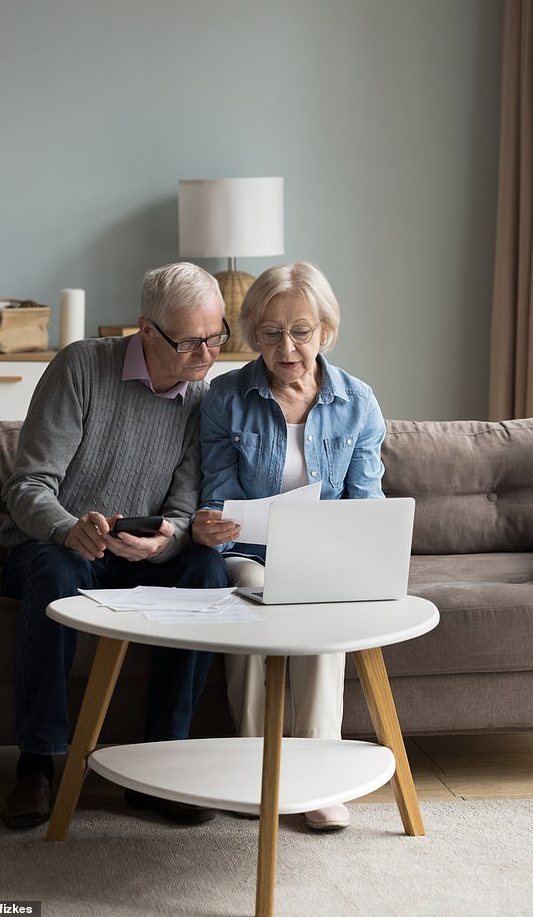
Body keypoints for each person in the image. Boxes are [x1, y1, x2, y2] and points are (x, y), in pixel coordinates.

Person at [0, 262, 232, 830]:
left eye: (217, 336)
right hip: (50, 548)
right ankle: (37, 765)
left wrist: (169, 542)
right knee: (57, 569)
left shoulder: (202, 398)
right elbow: (28, 487)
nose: (207, 355)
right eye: (190, 342)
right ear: (146, 331)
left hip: (136, 558)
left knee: (206, 569)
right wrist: (66, 528)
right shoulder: (81, 367)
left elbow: (181, 510)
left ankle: (162, 763)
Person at [192, 261, 386, 831]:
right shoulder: (226, 397)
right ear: (253, 334)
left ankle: (319, 778)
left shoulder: (359, 402)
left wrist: (344, 549)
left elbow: (366, 501)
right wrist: (214, 523)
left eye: (301, 331)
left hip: (324, 561)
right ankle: (257, 771)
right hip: (249, 556)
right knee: (249, 597)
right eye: (271, 333)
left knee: (324, 610)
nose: (287, 347)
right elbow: (219, 491)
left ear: (325, 332)